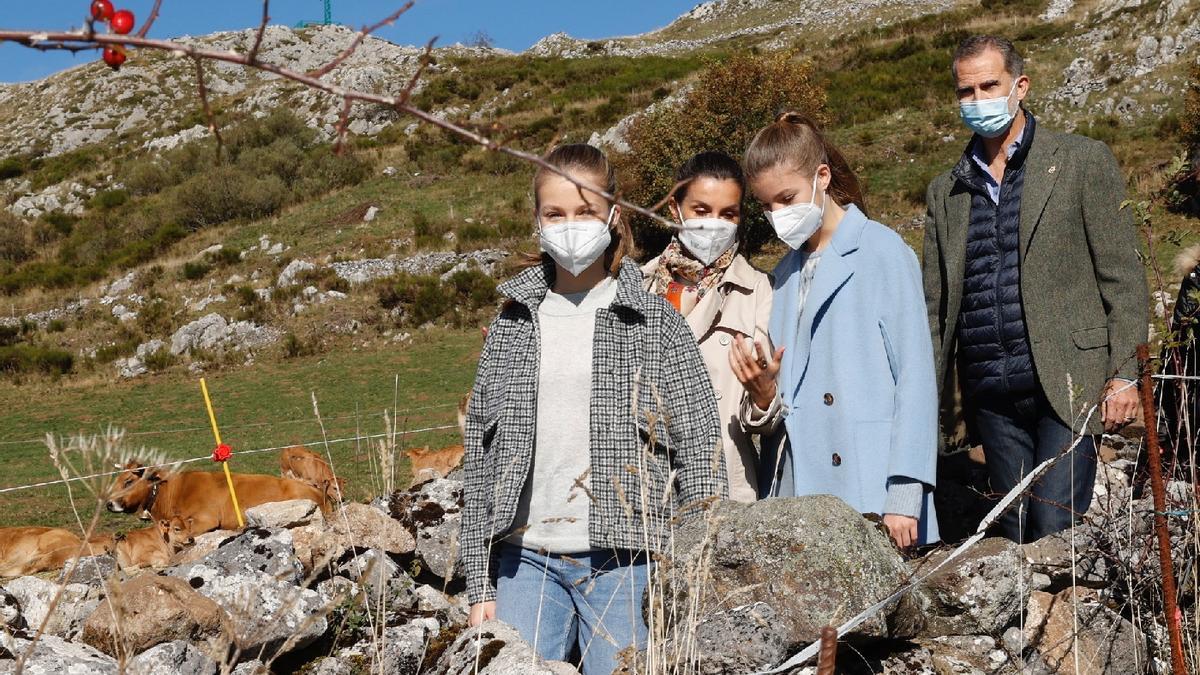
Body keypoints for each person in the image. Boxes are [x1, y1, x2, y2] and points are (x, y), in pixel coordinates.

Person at [458, 143, 726, 674]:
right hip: (524, 560)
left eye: (585, 211)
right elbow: (480, 461)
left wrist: (695, 573)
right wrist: (478, 583)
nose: (571, 225)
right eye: (556, 213)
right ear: (537, 220)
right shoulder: (511, 325)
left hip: (628, 566)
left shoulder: (655, 322)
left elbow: (700, 452)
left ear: (614, 215)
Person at [923, 35, 1149, 542]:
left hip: (1070, 383)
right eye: (966, 91)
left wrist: (1125, 375)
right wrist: (929, 400)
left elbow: (1123, 276)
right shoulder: (946, 191)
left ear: (1019, 86)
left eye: (990, 85)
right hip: (990, 391)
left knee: (1055, 528)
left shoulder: (1081, 161)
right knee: (1015, 530)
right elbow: (937, 306)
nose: (978, 100)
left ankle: (1068, 620)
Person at [733, 112, 940, 548]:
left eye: (787, 198)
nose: (778, 215)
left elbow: (916, 379)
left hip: (871, 486)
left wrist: (905, 492)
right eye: (767, 206)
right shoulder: (784, 273)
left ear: (822, 177)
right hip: (800, 493)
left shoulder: (884, 250)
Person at [643, 151, 775, 502]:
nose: (714, 223)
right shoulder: (637, 287)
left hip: (726, 490)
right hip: (647, 493)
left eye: (728, 214)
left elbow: (766, 420)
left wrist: (764, 397)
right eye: (701, 211)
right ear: (675, 208)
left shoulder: (758, 290)